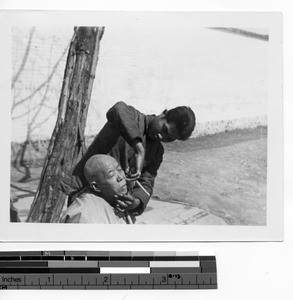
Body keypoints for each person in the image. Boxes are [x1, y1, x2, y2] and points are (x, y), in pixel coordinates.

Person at [61, 101, 196, 217]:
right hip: (85, 191)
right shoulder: (132, 117)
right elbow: (118, 108)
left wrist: (136, 202)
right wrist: (139, 149)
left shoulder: (157, 152)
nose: (162, 137)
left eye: (169, 138)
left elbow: (146, 182)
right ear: (163, 114)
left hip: (113, 205)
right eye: (164, 129)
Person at [62, 154, 133, 224]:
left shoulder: (119, 200)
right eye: (111, 175)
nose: (121, 177)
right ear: (96, 187)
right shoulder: (83, 213)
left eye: (119, 169)